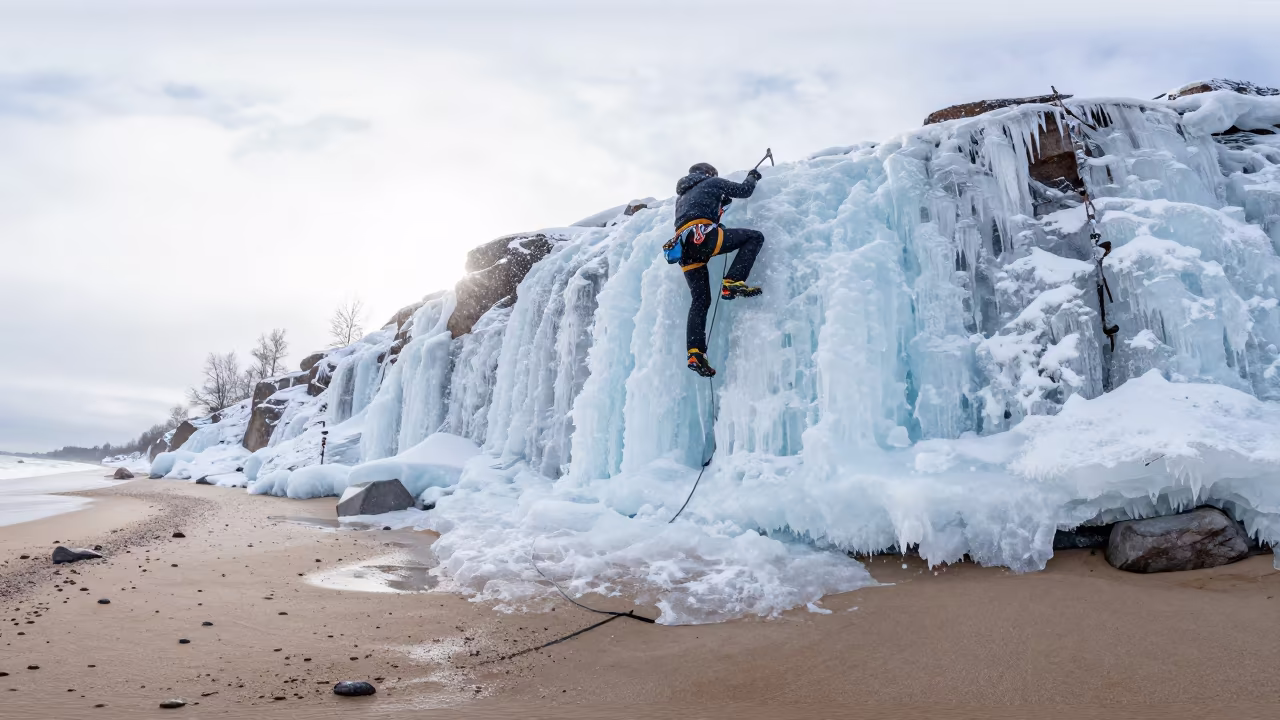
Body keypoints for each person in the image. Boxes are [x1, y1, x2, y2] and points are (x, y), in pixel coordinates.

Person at [672, 162, 765, 377]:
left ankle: (696, 353)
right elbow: (744, 191)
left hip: (684, 249)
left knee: (700, 300)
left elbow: (700, 207)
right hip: (703, 237)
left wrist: (719, 204)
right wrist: (752, 176)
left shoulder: (682, 197)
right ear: (708, 173)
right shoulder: (711, 182)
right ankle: (732, 281)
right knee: (754, 237)